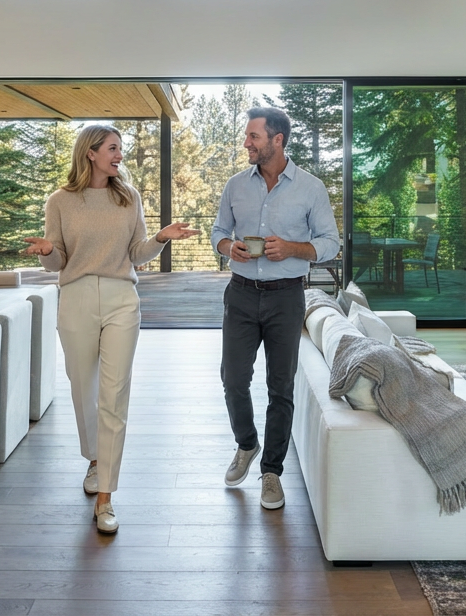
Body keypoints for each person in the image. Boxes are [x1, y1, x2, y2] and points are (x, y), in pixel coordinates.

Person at [24, 124, 198, 534]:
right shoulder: (60, 201)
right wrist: (48, 251)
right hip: (77, 296)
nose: (120, 155)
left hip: (122, 298)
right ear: (91, 153)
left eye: (120, 148)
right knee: (83, 389)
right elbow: (57, 260)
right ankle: (95, 459)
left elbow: (136, 254)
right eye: (113, 148)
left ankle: (106, 496)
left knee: (114, 394)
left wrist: (160, 237)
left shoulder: (128, 197)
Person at [210, 107, 339, 509]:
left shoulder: (311, 188)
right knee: (233, 378)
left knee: (280, 386)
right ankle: (247, 443)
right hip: (241, 293)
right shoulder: (235, 185)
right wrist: (228, 247)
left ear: (277, 140)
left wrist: (293, 249)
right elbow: (219, 231)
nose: (246, 143)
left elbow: (330, 243)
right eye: (247, 136)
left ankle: (272, 472)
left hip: (286, 297)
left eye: (253, 136)